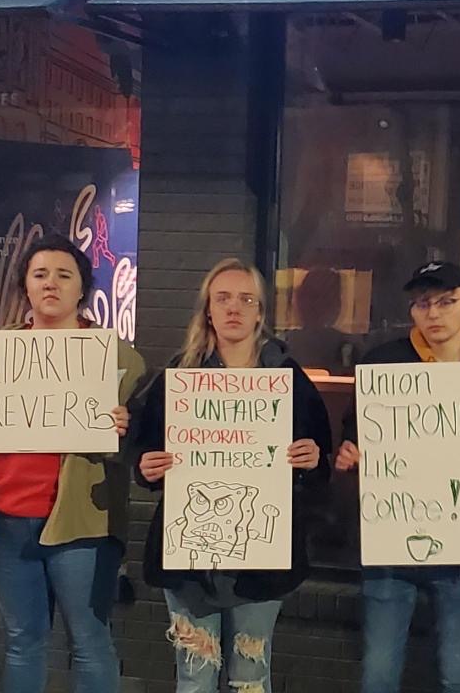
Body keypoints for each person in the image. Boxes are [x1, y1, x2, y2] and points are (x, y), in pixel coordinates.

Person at [0, 233, 144, 693]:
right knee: (24, 640)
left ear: (82, 287)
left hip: (81, 523)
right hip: (5, 518)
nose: (51, 284)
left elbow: (141, 447)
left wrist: (127, 426)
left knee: (89, 640)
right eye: (40, 274)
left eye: (64, 275)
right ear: (24, 285)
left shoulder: (118, 356)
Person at [128, 258, 333, 693]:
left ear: (260, 312)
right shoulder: (177, 378)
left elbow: (322, 460)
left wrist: (313, 459)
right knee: (195, 677)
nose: (234, 308)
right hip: (190, 559)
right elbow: (144, 453)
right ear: (208, 309)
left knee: (250, 677)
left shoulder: (288, 379)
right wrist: (146, 466)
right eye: (223, 299)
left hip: (263, 557)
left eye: (246, 299)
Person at [333, 260, 460, 693]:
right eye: (422, 304)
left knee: (456, 675)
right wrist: (350, 452)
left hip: (459, 542)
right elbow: (355, 433)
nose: (433, 313)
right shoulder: (383, 363)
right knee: (378, 674)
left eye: (445, 302)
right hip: (390, 540)